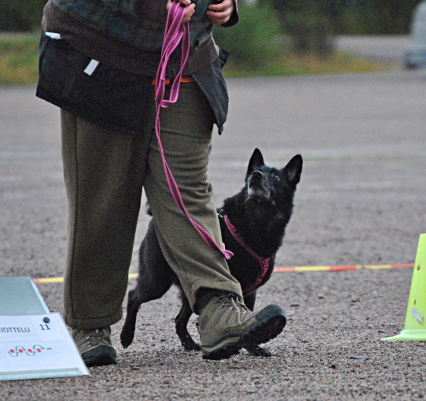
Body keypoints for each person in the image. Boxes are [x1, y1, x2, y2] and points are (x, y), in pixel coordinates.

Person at [37, 0, 286, 366]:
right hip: (101, 54)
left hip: (187, 62)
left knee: (188, 194)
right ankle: (89, 325)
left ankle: (219, 309)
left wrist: (225, 4)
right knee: (103, 198)